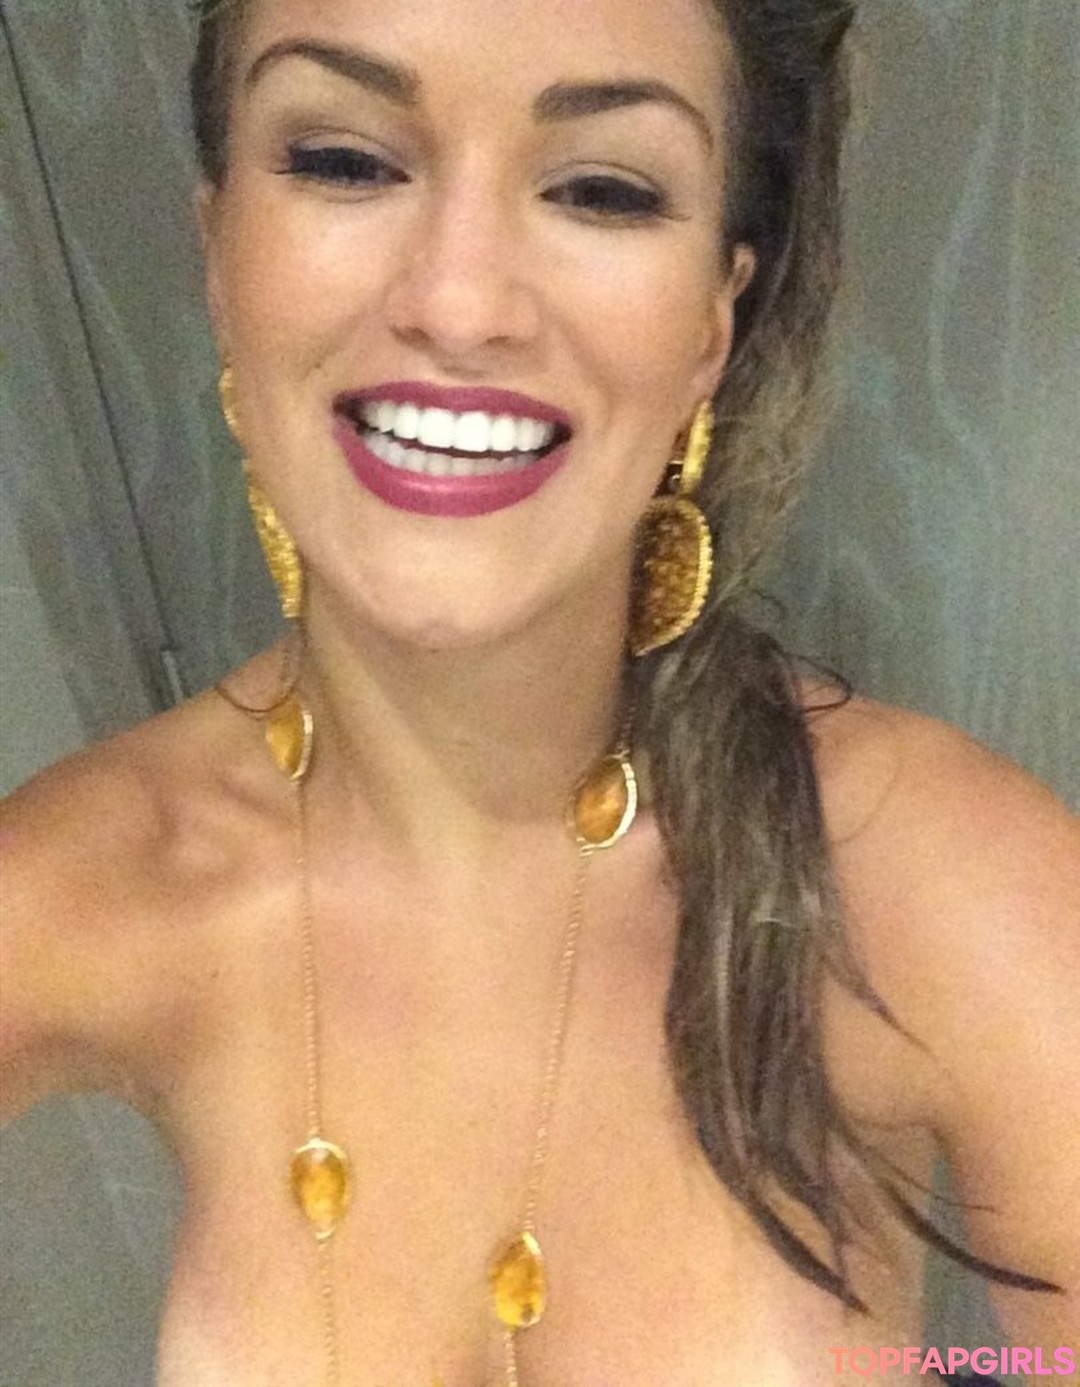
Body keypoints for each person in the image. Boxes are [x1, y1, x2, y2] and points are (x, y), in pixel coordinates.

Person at [1, 0, 1077, 1383]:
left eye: (602, 190)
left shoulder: (952, 886)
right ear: (219, 252)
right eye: (344, 162)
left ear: (713, 318)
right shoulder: (83, 889)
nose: (458, 302)